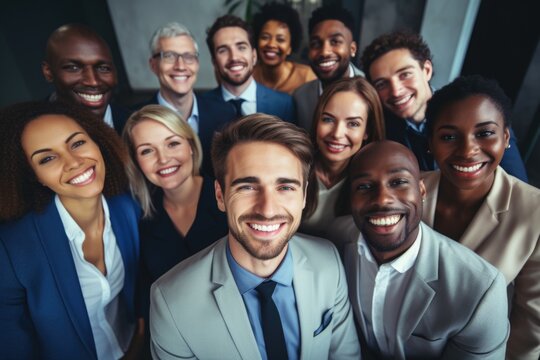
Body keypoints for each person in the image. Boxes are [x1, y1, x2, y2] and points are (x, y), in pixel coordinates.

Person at [149, 114, 360, 359]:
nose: (267, 209)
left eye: (285, 187)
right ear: (220, 195)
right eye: (247, 187)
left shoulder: (328, 262)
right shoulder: (171, 303)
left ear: (303, 196)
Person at [330, 140, 509, 359]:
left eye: (398, 182)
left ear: (422, 190)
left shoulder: (481, 291)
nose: (383, 198)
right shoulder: (332, 240)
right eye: (364, 186)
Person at [0, 101, 142, 359]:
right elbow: (13, 347)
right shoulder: (12, 249)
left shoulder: (127, 208)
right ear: (34, 176)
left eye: (77, 143)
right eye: (48, 158)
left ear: (97, 141)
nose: (74, 162)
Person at [421, 75, 540, 360]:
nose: (467, 150)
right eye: (449, 136)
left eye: (485, 133)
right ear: (430, 143)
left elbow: (531, 327)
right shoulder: (410, 190)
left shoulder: (534, 212)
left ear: (506, 138)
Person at [361, 30, 528, 182]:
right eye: (382, 84)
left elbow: (516, 186)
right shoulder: (379, 129)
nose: (396, 91)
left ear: (426, 70)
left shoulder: (479, 111)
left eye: (405, 74)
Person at [122, 104, 227, 315]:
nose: (163, 159)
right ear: (136, 161)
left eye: (172, 144)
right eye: (147, 151)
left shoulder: (228, 198)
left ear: (190, 145)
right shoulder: (140, 217)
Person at [137, 22, 236, 175]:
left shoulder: (225, 113)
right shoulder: (135, 121)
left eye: (189, 56)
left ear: (197, 63)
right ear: (153, 65)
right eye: (169, 56)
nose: (181, 66)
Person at [299, 76, 385, 238]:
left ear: (367, 130)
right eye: (328, 120)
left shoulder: (375, 183)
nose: (337, 134)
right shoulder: (294, 166)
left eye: (353, 124)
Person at [42, 23, 131, 135]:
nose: (93, 82)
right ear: (48, 72)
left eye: (103, 68)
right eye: (73, 68)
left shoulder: (136, 126)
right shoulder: (28, 135)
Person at [203, 15, 295, 122]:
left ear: (254, 55)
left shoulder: (283, 104)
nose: (234, 57)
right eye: (223, 50)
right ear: (214, 61)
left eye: (241, 47)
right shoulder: (201, 106)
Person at [293, 5, 364, 131]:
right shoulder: (300, 97)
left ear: (352, 49)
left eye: (335, 42)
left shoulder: (373, 89)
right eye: (316, 44)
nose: (324, 52)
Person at [251, 2, 316, 94]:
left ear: (290, 47)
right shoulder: (248, 76)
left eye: (280, 39)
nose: (271, 44)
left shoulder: (307, 77)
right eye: (265, 37)